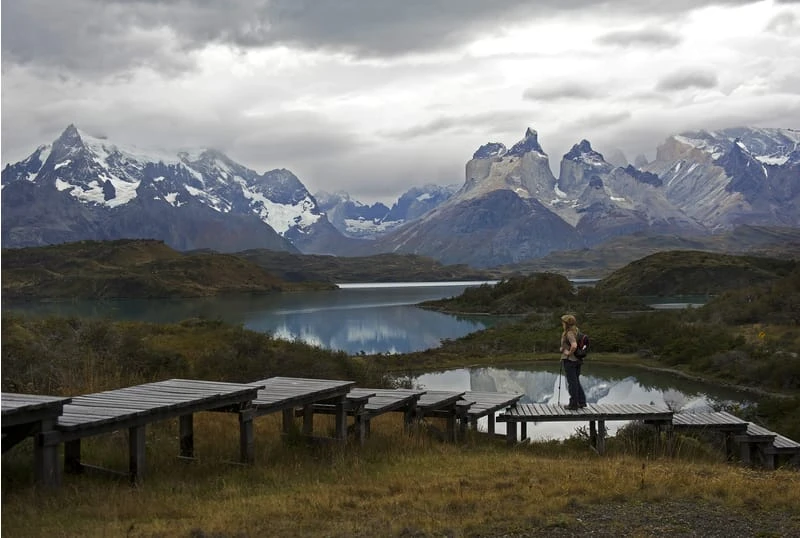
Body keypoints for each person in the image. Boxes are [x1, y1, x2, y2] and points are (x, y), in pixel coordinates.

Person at [560, 314, 586, 410]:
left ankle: (573, 404)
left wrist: (567, 353)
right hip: (578, 360)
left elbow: (574, 345)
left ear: (566, 323)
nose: (562, 323)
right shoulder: (576, 331)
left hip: (570, 361)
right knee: (576, 381)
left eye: (563, 322)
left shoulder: (569, 333)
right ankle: (581, 401)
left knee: (572, 383)